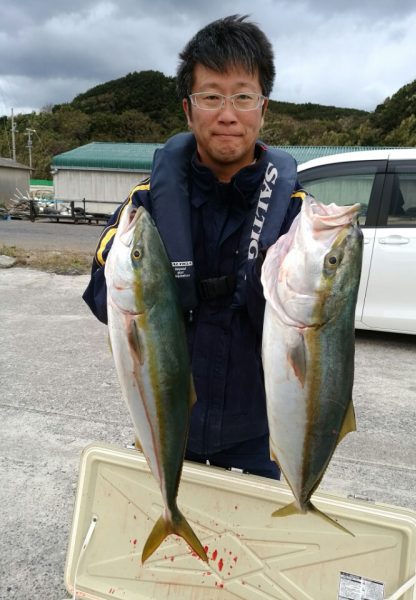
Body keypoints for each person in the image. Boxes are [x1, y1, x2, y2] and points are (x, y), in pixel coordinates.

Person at [82, 14, 306, 480]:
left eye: (243, 96)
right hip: (166, 419)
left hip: (256, 435)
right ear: (188, 109)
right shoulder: (145, 206)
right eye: (211, 97)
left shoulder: (296, 217)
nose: (228, 113)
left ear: (263, 108)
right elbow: (104, 294)